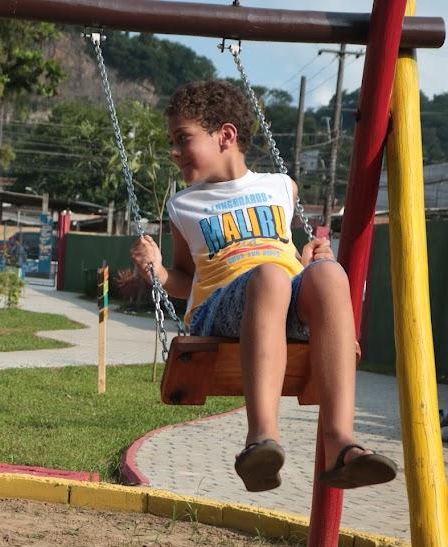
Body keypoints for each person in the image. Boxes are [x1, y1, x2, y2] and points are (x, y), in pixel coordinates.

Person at [130, 80, 397, 492]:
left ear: (227, 135)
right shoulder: (184, 204)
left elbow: (280, 249)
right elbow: (185, 280)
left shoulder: (281, 187)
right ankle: (262, 439)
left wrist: (307, 264)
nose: (174, 151)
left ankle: (340, 443)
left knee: (329, 274)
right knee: (270, 276)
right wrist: (158, 271)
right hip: (218, 312)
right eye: (172, 142)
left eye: (183, 139)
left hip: (280, 296)